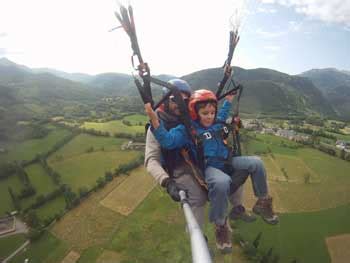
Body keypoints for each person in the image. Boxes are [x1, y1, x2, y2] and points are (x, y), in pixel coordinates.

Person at [145, 87, 278, 253]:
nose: (209, 116)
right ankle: (220, 224)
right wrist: (154, 121)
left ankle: (262, 201)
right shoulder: (188, 129)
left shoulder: (215, 123)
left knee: (256, 163)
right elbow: (168, 141)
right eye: (205, 113)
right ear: (195, 112)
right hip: (209, 167)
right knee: (221, 183)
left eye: (211, 113)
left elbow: (221, 115)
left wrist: (228, 101)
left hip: (227, 161)